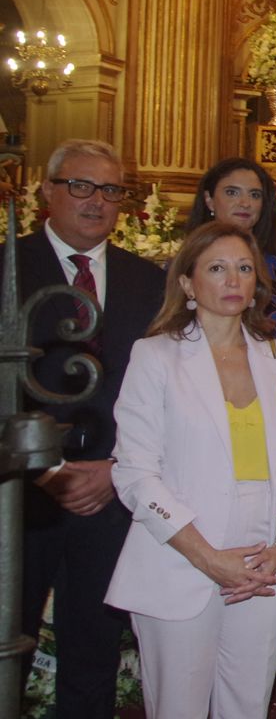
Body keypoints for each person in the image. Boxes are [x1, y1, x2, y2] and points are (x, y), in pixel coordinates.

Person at [106, 222, 276, 716]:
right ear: (187, 283)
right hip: (180, 554)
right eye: (217, 268)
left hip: (263, 560)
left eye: (244, 268)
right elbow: (134, 471)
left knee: (247, 706)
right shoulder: (155, 356)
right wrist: (206, 556)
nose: (233, 280)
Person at [13, 139, 165, 719]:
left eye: (110, 190)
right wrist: (44, 468)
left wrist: (115, 467)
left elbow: (164, 393)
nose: (96, 201)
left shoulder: (147, 280)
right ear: (47, 191)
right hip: (22, 496)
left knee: (93, 651)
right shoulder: (9, 265)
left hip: (112, 490)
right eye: (80, 185)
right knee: (8, 640)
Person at [184, 157, 276, 315]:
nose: (245, 203)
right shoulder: (186, 263)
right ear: (209, 200)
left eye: (255, 195)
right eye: (232, 192)